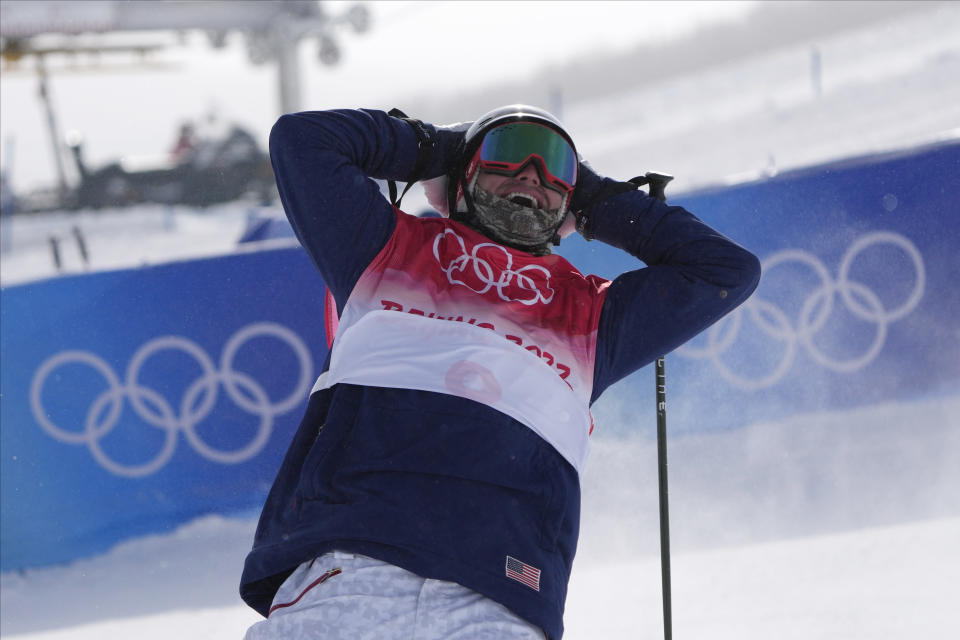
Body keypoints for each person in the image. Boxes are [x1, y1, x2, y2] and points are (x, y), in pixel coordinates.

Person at [240, 105, 761, 639]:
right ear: (463, 178)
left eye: (556, 170)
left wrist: (601, 200)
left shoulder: (594, 316)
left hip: (498, 599)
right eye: (507, 157)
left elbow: (726, 269)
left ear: (569, 203)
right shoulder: (384, 246)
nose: (532, 174)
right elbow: (303, 139)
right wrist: (439, 149)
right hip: (351, 570)